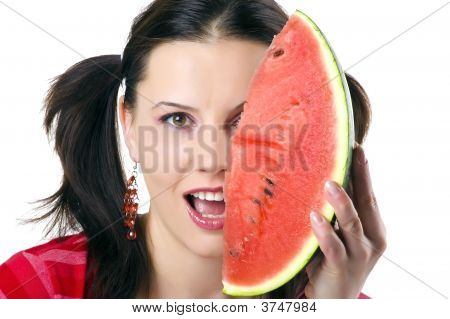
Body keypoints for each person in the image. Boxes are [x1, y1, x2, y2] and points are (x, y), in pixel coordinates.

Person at [0, 0, 385, 299]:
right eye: (178, 120)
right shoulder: (31, 288)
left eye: (245, 123)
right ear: (129, 125)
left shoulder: (340, 305)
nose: (213, 158)